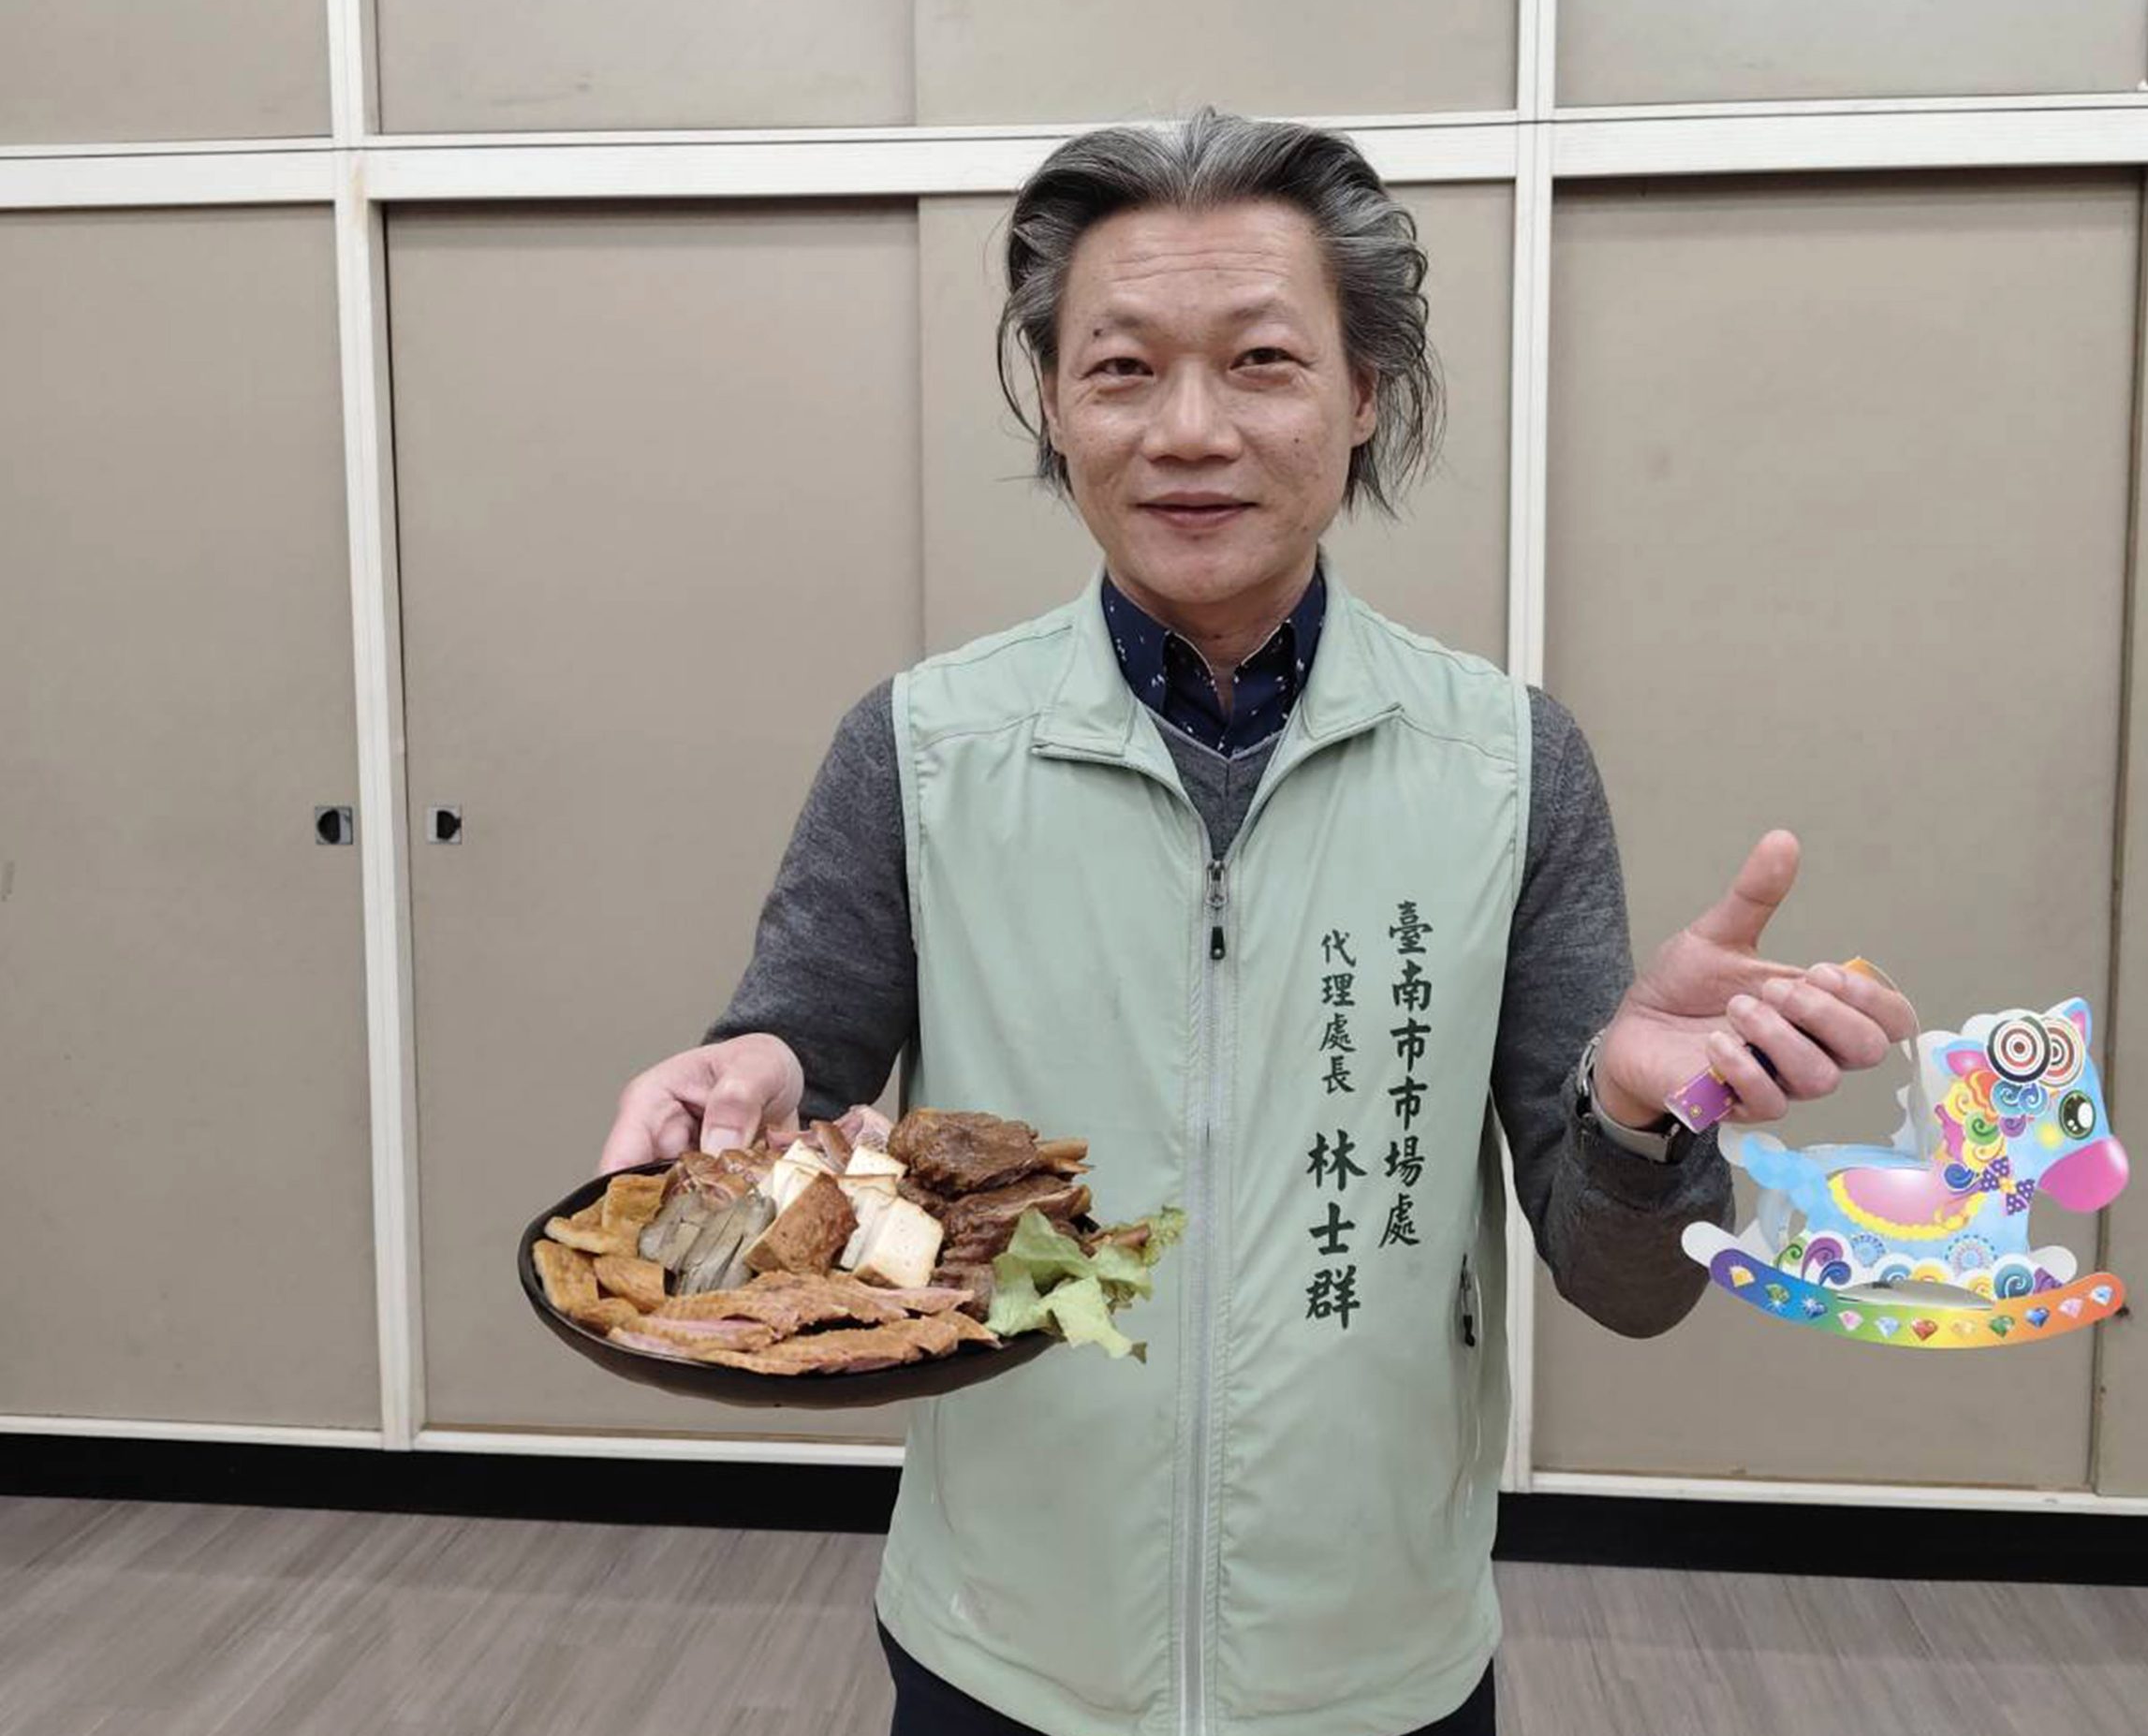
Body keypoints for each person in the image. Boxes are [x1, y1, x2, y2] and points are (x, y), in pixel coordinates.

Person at [599, 109, 1916, 1736]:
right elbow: (799, 1059)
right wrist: (744, 1073)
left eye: (1263, 362)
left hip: (1374, 1655)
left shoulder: (1508, 764)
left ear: (1365, 395)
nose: (1189, 430)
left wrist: (1648, 1120)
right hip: (1007, 1637)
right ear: (1055, 403)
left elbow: (1629, 1284)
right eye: (1122, 368)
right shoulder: (923, 748)